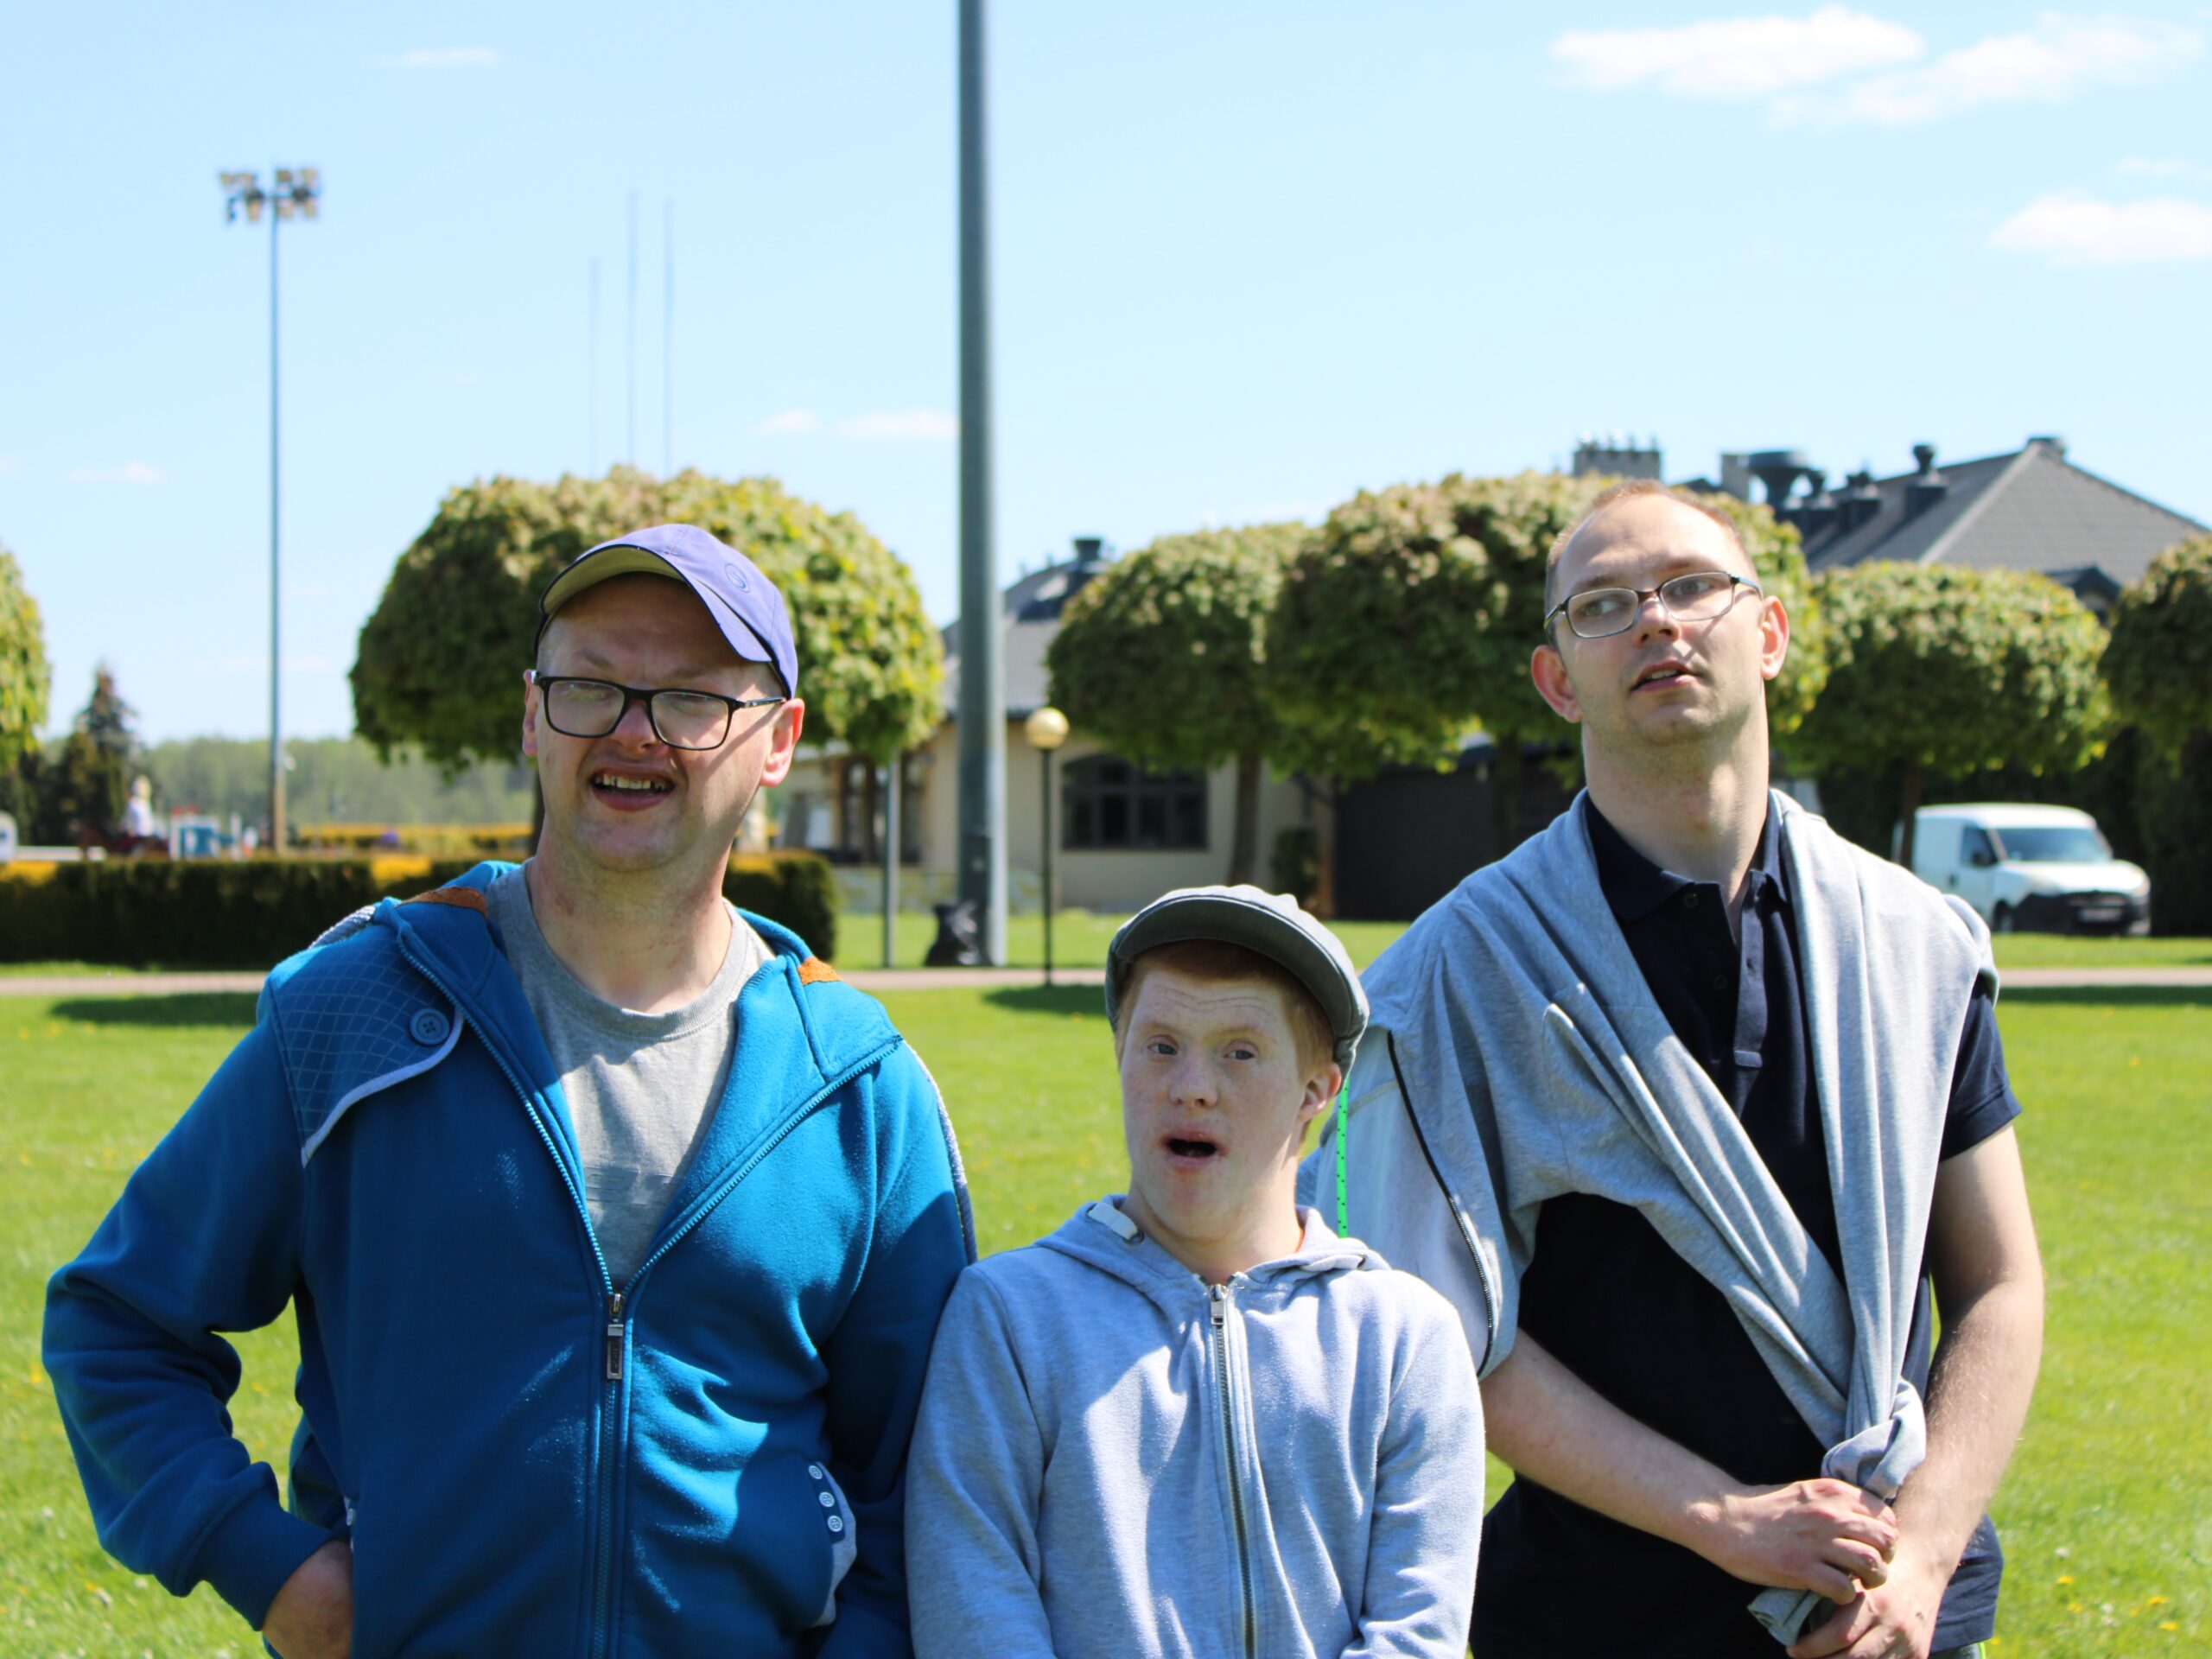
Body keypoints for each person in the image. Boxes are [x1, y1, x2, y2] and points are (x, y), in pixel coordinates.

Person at [45, 524, 976, 1658]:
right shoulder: (351, 1015)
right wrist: (270, 1568)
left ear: (777, 741)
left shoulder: (857, 1083)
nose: (632, 731)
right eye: (591, 686)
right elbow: (118, 1323)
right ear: (534, 716)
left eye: (690, 699)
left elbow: (927, 1478)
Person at [1312, 481, 2044, 1659]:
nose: (1655, 620)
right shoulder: (1458, 973)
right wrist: (1725, 1520)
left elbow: (2000, 1284)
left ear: (1770, 633)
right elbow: (1428, 1325)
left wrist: (1924, 1553)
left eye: (1692, 586)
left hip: (1891, 1610)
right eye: (1601, 605)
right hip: (1598, 1616)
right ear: (1558, 681)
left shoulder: (1918, 945)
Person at [906, 885, 1484, 1659]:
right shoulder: (1010, 1319)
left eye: (1240, 1052)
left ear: (1317, 1090)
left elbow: (1418, 1631)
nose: (1192, 1087)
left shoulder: (1403, 1342)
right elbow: (974, 1608)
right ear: (1120, 1055)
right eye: (1161, 1046)